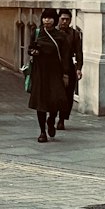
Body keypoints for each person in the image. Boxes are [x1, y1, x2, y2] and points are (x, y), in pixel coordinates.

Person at [27, 8, 71, 142]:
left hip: (55, 72)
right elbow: (30, 48)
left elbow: (65, 56)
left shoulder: (61, 36)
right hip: (39, 72)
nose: (46, 20)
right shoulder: (37, 33)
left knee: (56, 100)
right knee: (41, 102)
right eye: (45, 18)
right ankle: (42, 132)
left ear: (54, 20)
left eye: (50, 18)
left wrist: (65, 73)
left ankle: (51, 120)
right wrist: (34, 52)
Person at [56, 9, 83, 129]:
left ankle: (62, 119)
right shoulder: (53, 32)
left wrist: (78, 68)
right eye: (62, 19)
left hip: (69, 67)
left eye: (67, 19)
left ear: (70, 20)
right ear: (58, 19)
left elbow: (79, 52)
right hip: (54, 67)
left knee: (68, 96)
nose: (65, 21)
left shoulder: (74, 34)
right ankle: (52, 116)